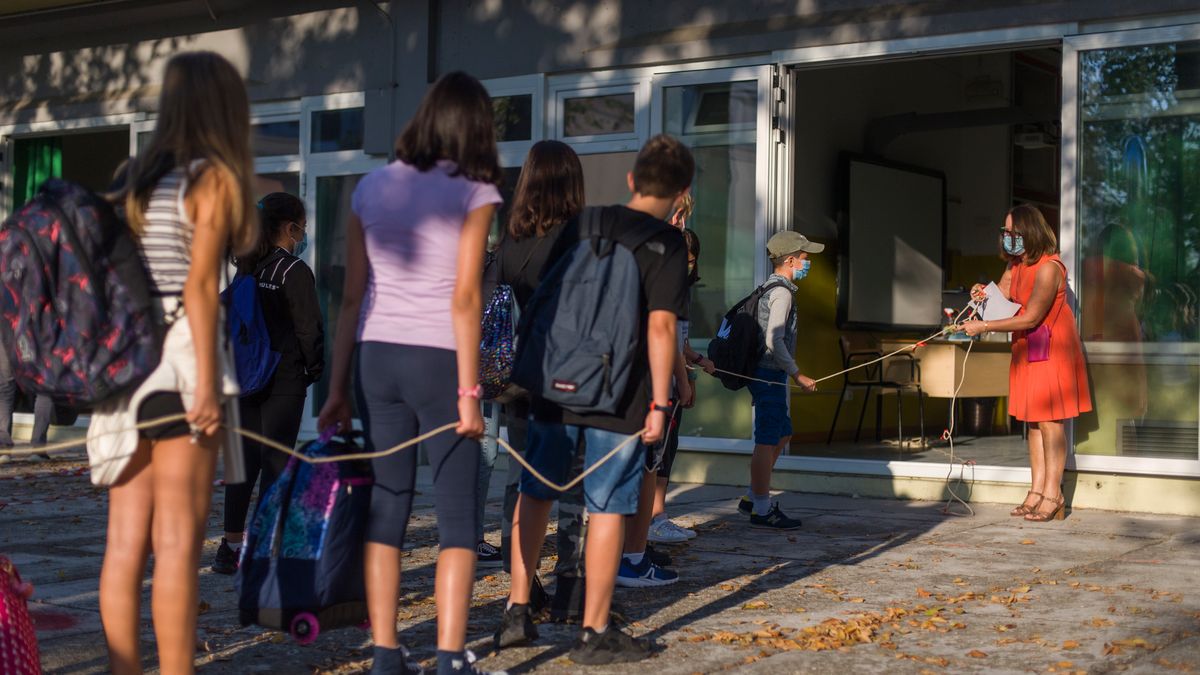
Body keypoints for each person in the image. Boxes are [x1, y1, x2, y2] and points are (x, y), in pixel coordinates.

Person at [317, 71, 502, 675]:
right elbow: (466, 298)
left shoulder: (369, 188)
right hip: (439, 360)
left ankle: (385, 655)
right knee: (456, 515)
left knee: (388, 507)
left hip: (376, 358)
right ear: (475, 127)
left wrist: (337, 387)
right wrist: (470, 394)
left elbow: (350, 298)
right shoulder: (474, 192)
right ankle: (450, 658)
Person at [89, 51, 258, 674]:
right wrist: (209, 389)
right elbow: (197, 290)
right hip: (180, 365)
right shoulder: (210, 178)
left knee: (124, 543)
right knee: (179, 543)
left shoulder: (131, 175)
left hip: (123, 371)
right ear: (223, 109)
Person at [495, 134, 692, 665]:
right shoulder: (668, 245)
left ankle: (517, 610)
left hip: (554, 383)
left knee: (535, 493)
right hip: (618, 392)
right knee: (607, 507)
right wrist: (658, 402)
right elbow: (659, 328)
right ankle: (593, 630)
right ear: (681, 192)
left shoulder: (585, 222)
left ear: (631, 179)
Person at [491, 139, 588, 620]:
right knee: (571, 484)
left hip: (518, 377)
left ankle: (521, 590)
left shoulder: (509, 241)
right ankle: (569, 585)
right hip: (568, 377)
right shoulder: (578, 238)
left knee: (520, 482)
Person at [212, 192, 324, 575]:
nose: (303, 234)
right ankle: (260, 549)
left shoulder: (246, 268)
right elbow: (309, 330)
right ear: (289, 228)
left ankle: (230, 547)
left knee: (242, 465)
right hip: (284, 381)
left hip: (243, 381)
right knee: (276, 465)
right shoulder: (293, 272)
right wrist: (315, 369)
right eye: (302, 228)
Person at [962, 204, 1091, 522]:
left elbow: (1032, 315)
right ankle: (1035, 490)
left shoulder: (1050, 267)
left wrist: (984, 327)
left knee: (1050, 423)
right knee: (1033, 422)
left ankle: (1053, 493)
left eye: (1013, 232)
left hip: (1051, 349)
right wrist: (981, 295)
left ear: (1030, 232)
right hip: (1026, 349)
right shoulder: (1016, 265)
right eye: (1004, 232)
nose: (1007, 238)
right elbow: (1004, 297)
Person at [734, 231, 819, 530]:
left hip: (771, 375)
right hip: (768, 374)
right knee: (767, 438)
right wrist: (797, 373)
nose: (808, 264)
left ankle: (752, 496)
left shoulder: (775, 288)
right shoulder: (781, 293)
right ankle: (761, 507)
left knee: (783, 433)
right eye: (806, 259)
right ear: (791, 260)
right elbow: (774, 339)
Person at [647, 225, 715, 544]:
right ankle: (654, 517)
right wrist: (684, 381)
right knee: (658, 454)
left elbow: (681, 343)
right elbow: (670, 341)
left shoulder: (682, 290)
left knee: (667, 450)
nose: (688, 265)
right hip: (664, 383)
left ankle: (654, 516)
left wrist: (698, 360)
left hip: (674, 376)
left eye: (692, 260)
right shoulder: (666, 288)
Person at [0, 348, 54, 461]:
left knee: (5, 389)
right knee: (44, 388)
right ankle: (38, 450)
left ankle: (3, 449)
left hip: (7, 335)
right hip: (40, 336)